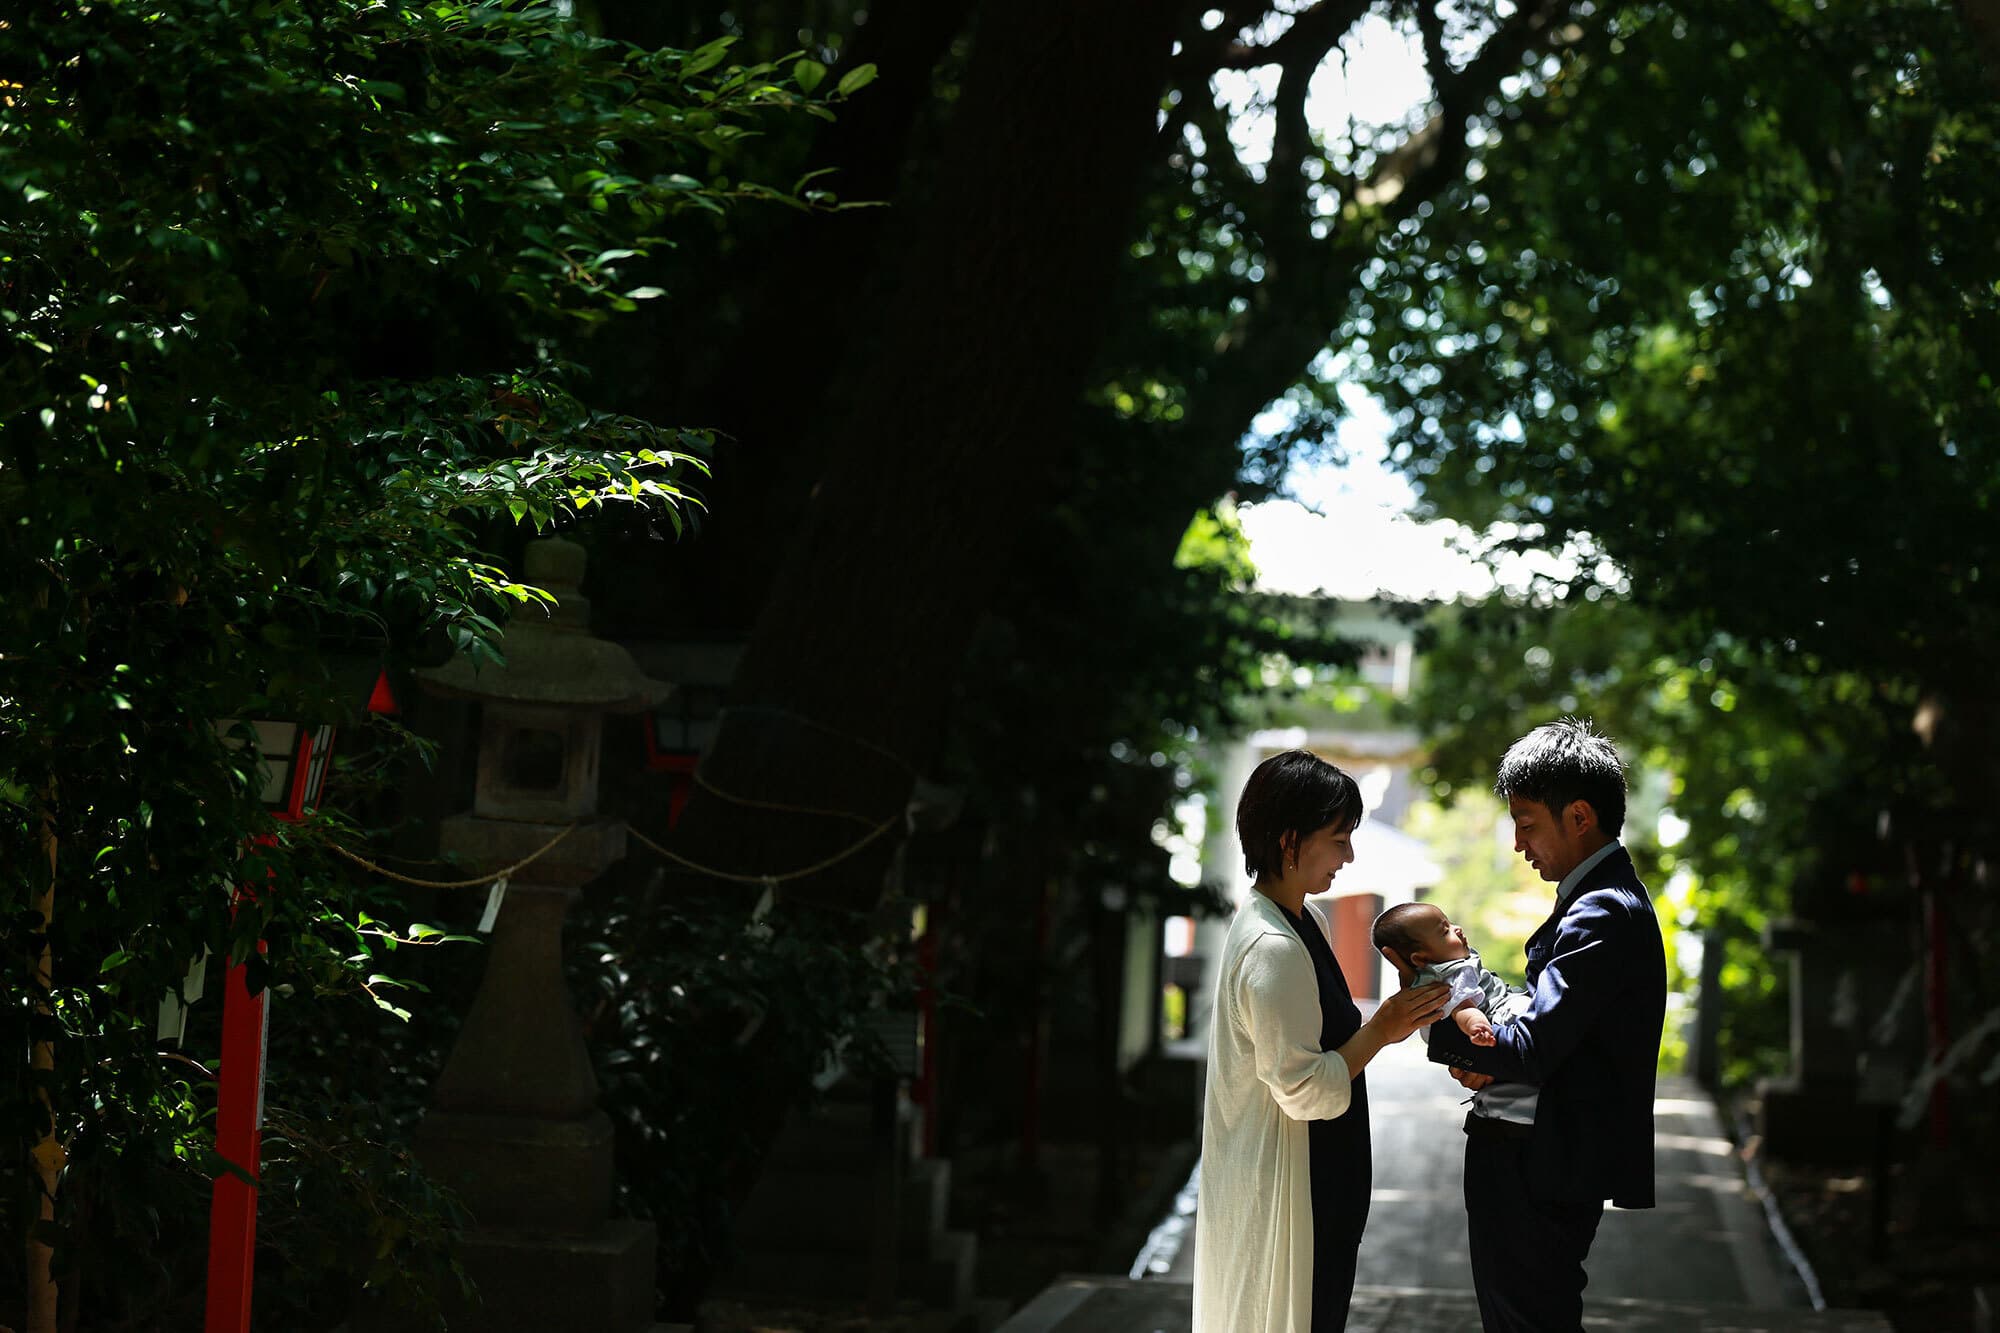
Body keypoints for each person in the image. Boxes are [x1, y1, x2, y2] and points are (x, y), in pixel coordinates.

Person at [1192, 750, 1451, 1333]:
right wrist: (1382, 1029)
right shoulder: (1274, 947)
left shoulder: (1304, 922)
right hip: (1289, 1185)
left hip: (1321, 1181)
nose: (1349, 856)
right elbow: (1305, 1090)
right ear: (1290, 841)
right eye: (1339, 839)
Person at [1429, 718, 1667, 1333]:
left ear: (1580, 817)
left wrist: (1443, 1027)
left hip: (1539, 1163)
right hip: (1544, 1157)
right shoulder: (1599, 901)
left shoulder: (1603, 909)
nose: (1518, 843)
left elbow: (1533, 1044)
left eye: (1528, 823)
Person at [1370, 901, 1529, 1047]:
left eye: (1450, 924)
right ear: (1421, 958)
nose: (1457, 928)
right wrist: (1476, 1025)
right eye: (1445, 931)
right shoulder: (1451, 976)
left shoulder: (1441, 969)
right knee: (1532, 1011)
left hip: (1500, 1007)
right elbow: (1463, 1008)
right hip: (1499, 1012)